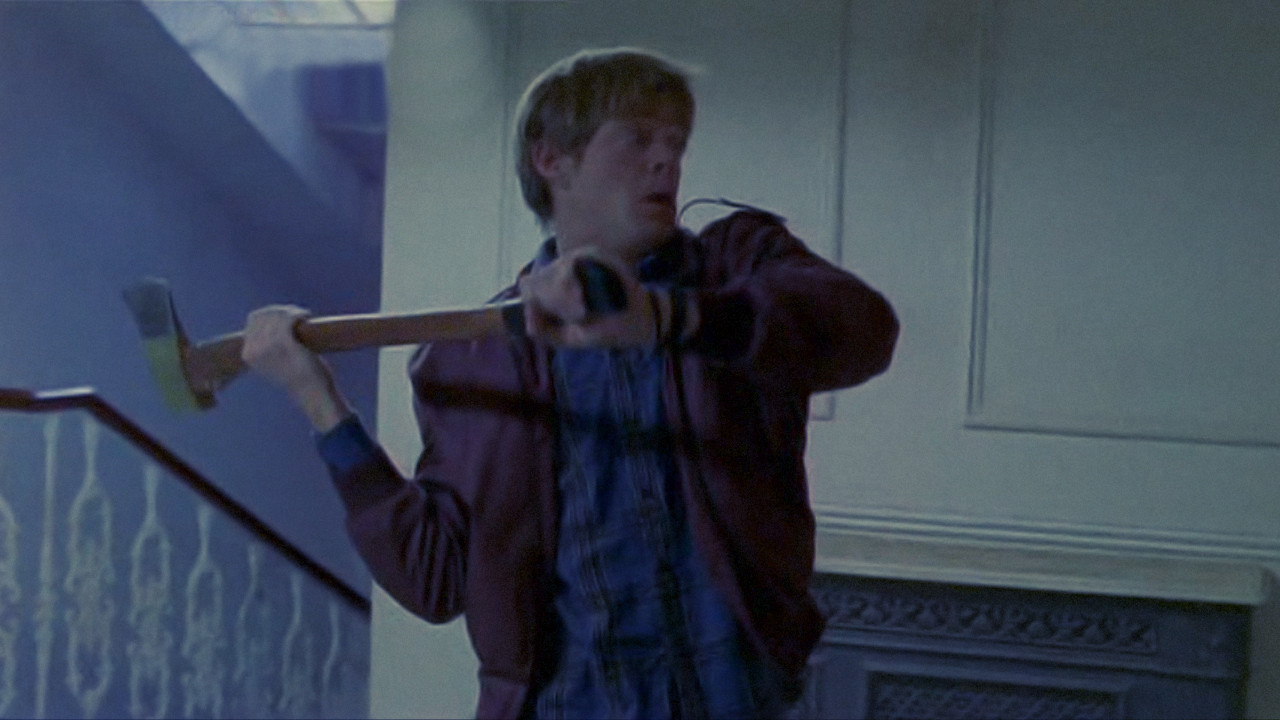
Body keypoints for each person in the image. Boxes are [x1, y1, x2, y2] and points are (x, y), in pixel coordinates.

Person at [242, 47, 898, 720]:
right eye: (638, 138)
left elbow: (865, 332)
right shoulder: (471, 360)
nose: (666, 161)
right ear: (552, 158)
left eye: (675, 142)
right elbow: (433, 579)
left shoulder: (737, 266)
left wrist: (667, 318)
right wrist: (318, 399)